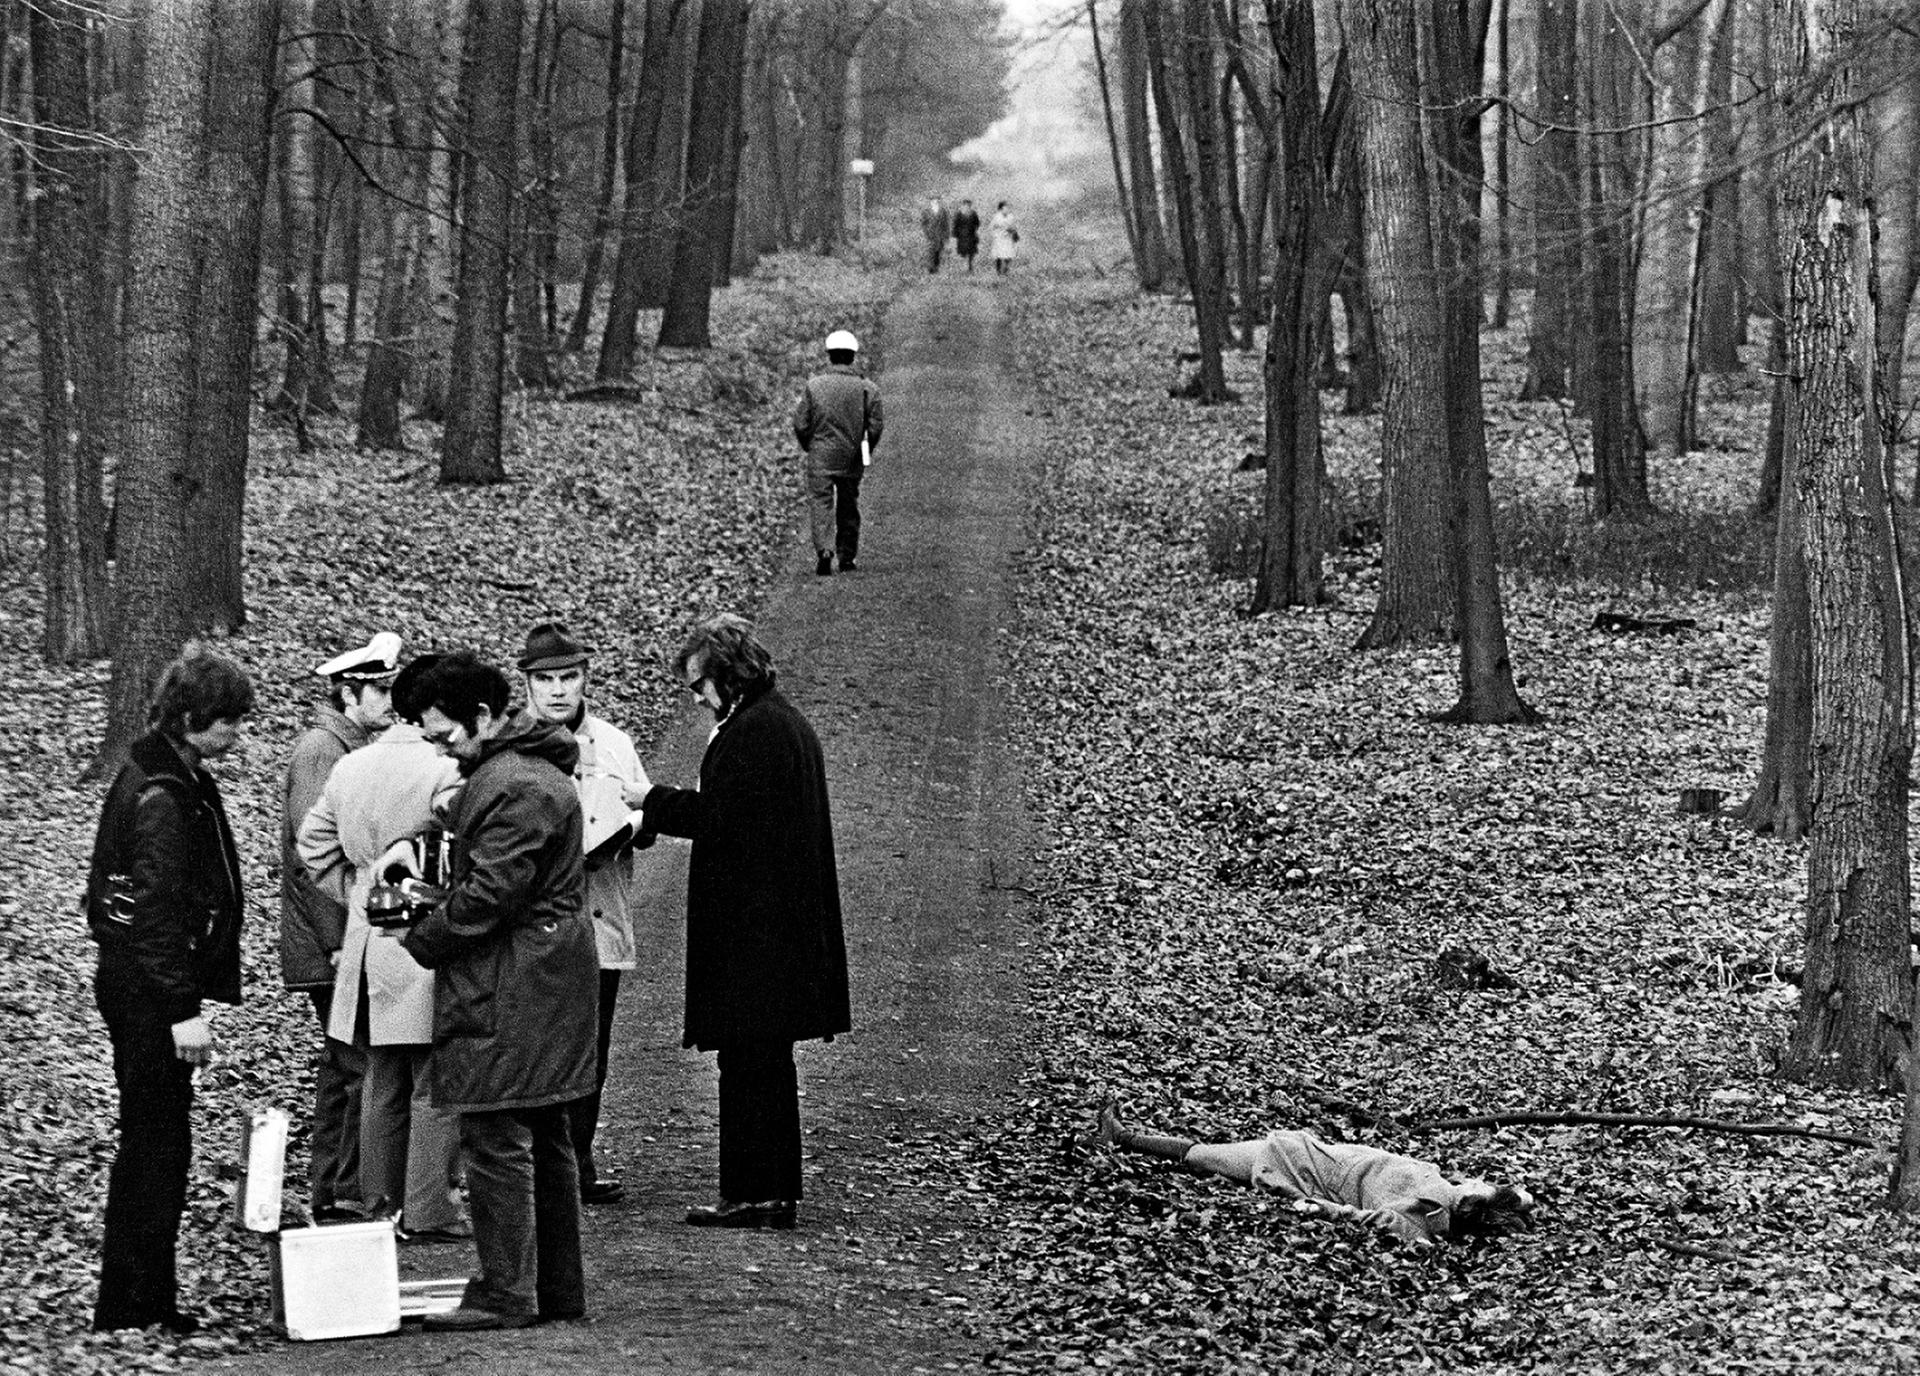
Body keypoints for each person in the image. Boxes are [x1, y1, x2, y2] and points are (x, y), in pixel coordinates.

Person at [400, 651, 599, 1331]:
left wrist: (423, 932)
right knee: (544, 1131)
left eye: (445, 734)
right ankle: (554, 1288)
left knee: (496, 1132)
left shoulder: (512, 785)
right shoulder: (517, 774)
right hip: (537, 975)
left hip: (514, 982)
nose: (439, 748)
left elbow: (490, 894)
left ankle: (510, 1291)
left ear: (483, 716)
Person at [640, 615, 850, 1230]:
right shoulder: (772, 722)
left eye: (699, 684)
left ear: (726, 676)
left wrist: (650, 801)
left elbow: (725, 818)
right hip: (772, 928)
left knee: (750, 1063)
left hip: (758, 933)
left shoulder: (756, 730)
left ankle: (750, 1194)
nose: (697, 698)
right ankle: (767, 1191)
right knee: (764, 1063)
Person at [86, 646, 256, 1333]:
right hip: (148, 991)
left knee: (160, 1141)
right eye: (228, 721)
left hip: (146, 983)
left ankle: (144, 1298)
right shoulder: (160, 794)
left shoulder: (173, 772)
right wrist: (183, 1012)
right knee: (155, 1145)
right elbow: (155, 915)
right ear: (190, 718)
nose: (237, 733)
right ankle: (132, 1305)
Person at [299, 652, 471, 1244]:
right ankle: (429, 1208)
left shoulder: (351, 768)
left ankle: (379, 1203)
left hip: (367, 940)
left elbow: (312, 845)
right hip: (423, 937)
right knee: (434, 1079)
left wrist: (359, 891)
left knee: (382, 1078)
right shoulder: (445, 768)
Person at [517, 621, 653, 1206]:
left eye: (567, 678)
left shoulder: (616, 743)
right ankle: (532, 1164)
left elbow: (644, 808)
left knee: (591, 1046)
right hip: (533, 924)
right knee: (535, 1043)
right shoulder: (511, 744)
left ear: (585, 681)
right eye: (544, 680)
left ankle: (579, 1157)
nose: (556, 691)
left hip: (599, 916)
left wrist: (629, 830)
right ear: (526, 684)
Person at [280, 631, 401, 1223]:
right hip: (331, 942)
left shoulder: (344, 746)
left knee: (346, 1063)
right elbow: (312, 856)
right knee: (353, 1063)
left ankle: (336, 1187)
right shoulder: (323, 752)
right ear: (349, 693)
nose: (389, 700)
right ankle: (340, 1189)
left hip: (339, 939)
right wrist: (335, 941)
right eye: (379, 689)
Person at [1096, 1103, 1535, 1246]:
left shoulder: (1424, 1218)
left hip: (1304, 1169)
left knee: (1202, 1156)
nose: (1478, 1178)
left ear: (1476, 1199)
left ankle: (1122, 1138)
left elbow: (1359, 1218)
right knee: (1207, 1155)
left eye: (1486, 1184)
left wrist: (1308, 1206)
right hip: (1317, 1154)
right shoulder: (1440, 1190)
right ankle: (1124, 1137)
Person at [792, 328, 884, 577]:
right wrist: (865, 449)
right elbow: (875, 426)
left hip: (820, 454)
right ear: (853, 356)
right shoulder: (868, 389)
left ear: (830, 356)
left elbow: (800, 423)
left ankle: (824, 550)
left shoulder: (814, 386)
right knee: (848, 503)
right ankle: (847, 556)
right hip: (851, 455)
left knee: (820, 503)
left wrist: (810, 445)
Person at [919, 195, 951, 273]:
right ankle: (931, 269)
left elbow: (946, 224)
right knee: (930, 251)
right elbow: (923, 223)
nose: (935, 201)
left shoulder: (943, 211)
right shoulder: (926, 211)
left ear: (939, 201)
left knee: (939, 251)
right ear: (930, 201)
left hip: (940, 234)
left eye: (937, 200)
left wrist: (946, 236)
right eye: (933, 200)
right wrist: (926, 232)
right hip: (931, 234)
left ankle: (936, 267)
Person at [988, 201, 1020, 276]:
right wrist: (996, 233)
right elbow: (991, 227)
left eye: (1008, 208)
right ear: (1001, 209)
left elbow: (1014, 226)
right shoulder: (997, 217)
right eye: (1005, 208)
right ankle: (998, 271)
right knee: (999, 255)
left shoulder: (1011, 216)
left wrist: (1013, 231)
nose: (1007, 209)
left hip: (1008, 238)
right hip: (999, 238)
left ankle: (1006, 269)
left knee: (1008, 254)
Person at [952, 198, 982, 272]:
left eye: (968, 205)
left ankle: (970, 264)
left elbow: (977, 223)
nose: (967, 207)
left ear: (970, 206)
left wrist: (974, 229)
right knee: (963, 251)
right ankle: (965, 265)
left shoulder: (973, 213)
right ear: (962, 205)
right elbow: (955, 224)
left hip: (971, 235)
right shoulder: (959, 214)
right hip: (962, 236)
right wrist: (955, 234)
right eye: (965, 205)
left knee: (971, 251)